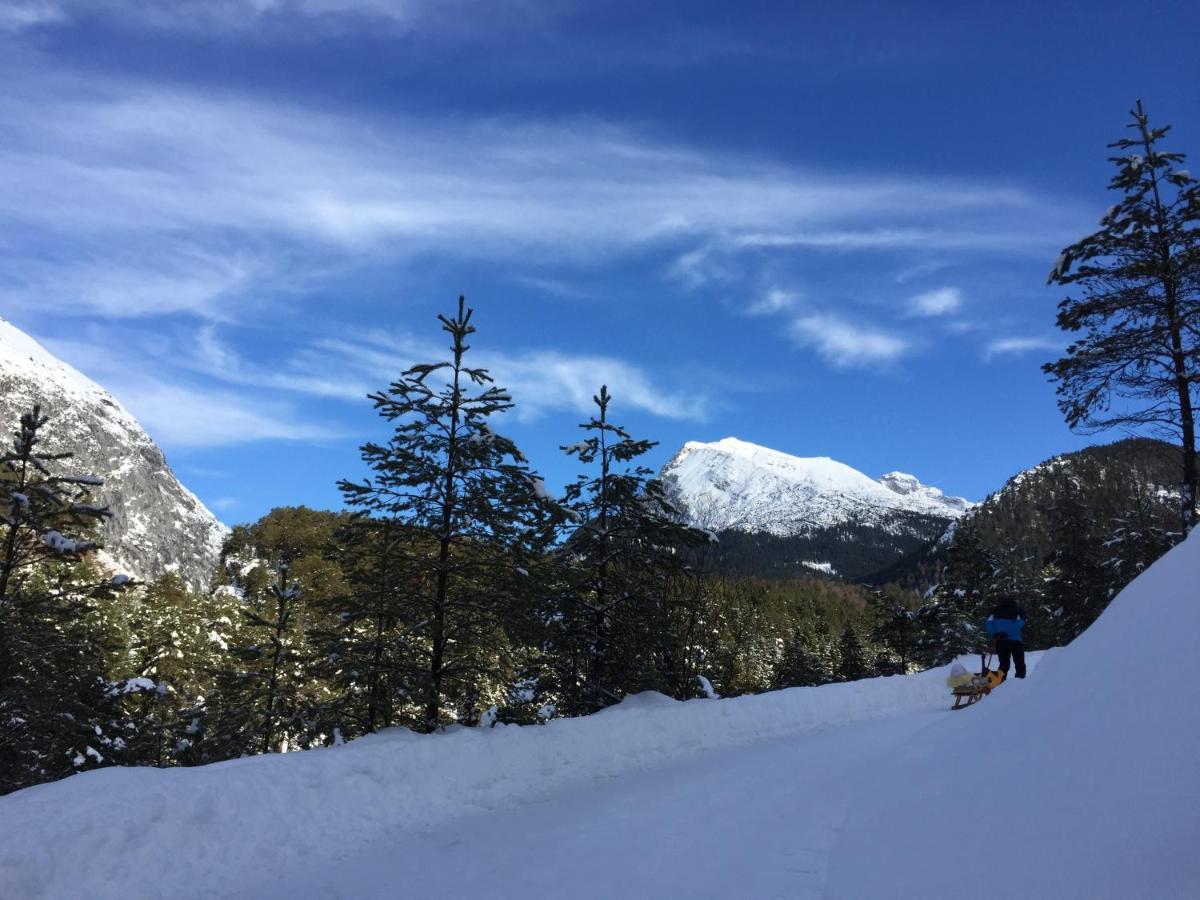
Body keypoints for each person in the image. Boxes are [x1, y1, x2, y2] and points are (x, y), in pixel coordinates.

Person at [985, 597, 1027, 679]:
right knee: (1019, 662)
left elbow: (988, 623)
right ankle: (1020, 681)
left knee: (1003, 664)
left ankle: (1001, 682)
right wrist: (1008, 633)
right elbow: (1020, 623)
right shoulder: (1018, 610)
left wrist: (994, 634)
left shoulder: (995, 610)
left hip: (1001, 641)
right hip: (1016, 641)